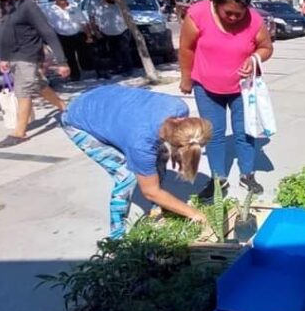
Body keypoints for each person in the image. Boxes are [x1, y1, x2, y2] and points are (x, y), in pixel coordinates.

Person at [61, 85, 212, 238]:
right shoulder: (141, 145)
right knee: (126, 176)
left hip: (104, 99)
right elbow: (149, 192)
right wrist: (194, 214)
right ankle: (116, 238)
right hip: (78, 119)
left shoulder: (179, 108)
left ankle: (156, 211)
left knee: (162, 154)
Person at [179, 0, 274, 197]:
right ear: (215, 2)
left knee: (245, 131)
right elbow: (186, 48)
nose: (233, 18)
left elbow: (266, 47)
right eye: (228, 12)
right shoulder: (198, 14)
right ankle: (218, 179)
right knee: (214, 134)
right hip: (206, 86)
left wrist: (254, 58)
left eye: (238, 14)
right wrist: (186, 77)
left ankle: (247, 174)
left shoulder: (254, 20)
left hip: (243, 88)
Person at [0, 0, 70, 149]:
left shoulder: (27, 5)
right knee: (38, 85)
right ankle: (63, 106)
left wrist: (62, 61)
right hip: (11, 55)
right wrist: (3, 57)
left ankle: (19, 132)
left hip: (28, 54)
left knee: (23, 90)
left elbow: (48, 32)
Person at [45, 0, 90, 82]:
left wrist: (88, 35)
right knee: (70, 57)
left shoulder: (74, 8)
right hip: (62, 36)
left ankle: (87, 69)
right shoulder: (50, 10)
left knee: (84, 54)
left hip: (77, 34)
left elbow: (83, 22)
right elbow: (46, 24)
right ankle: (75, 75)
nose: (62, 0)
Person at [92, 0, 134, 78]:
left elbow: (129, 17)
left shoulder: (120, 4)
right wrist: (96, 32)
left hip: (122, 32)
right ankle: (117, 68)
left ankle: (128, 69)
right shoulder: (97, 5)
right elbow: (92, 19)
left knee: (125, 52)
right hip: (107, 34)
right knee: (113, 53)